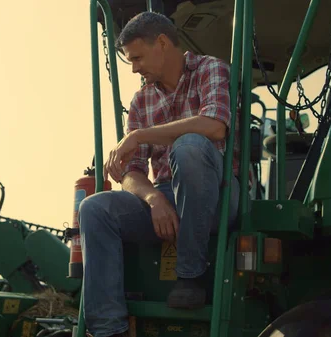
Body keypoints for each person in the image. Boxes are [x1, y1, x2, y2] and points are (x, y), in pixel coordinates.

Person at [78, 11, 241, 337]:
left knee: (190, 145)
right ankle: (109, 329)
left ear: (163, 43)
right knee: (94, 208)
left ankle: (190, 275)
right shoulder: (141, 102)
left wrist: (140, 136)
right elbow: (131, 172)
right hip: (165, 193)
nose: (135, 68)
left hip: (218, 193)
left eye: (137, 58)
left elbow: (214, 126)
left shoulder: (211, 68)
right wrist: (153, 198)